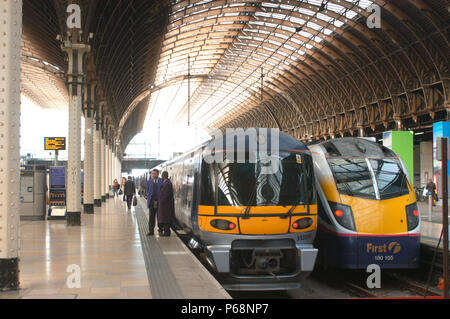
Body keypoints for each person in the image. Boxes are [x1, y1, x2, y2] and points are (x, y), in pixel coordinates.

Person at [157, 171, 176, 237]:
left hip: (166, 205)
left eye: (162, 175)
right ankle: (165, 231)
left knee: (165, 218)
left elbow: (165, 195)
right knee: (165, 218)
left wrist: (161, 202)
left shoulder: (167, 184)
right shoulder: (166, 182)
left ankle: (167, 232)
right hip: (166, 205)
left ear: (163, 176)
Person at [146, 169, 163, 236]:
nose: (153, 175)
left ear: (158, 174)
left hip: (159, 202)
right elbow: (148, 190)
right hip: (151, 202)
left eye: (154, 174)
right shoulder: (149, 181)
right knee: (151, 217)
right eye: (152, 174)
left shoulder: (161, 181)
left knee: (160, 216)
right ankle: (151, 231)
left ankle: (160, 230)